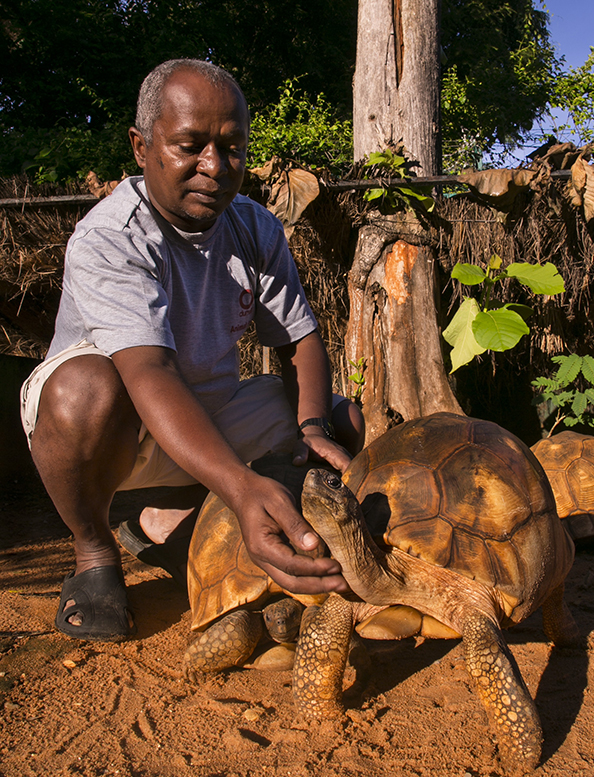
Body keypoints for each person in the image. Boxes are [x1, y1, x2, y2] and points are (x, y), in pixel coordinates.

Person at [20, 58, 364, 643]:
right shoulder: (112, 237)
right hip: (117, 424)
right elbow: (148, 372)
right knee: (85, 391)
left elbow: (298, 340)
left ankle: (186, 529)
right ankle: (95, 549)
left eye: (232, 148)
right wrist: (238, 481)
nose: (214, 167)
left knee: (340, 418)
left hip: (210, 410)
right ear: (140, 146)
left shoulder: (253, 227)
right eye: (189, 146)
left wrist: (309, 427)